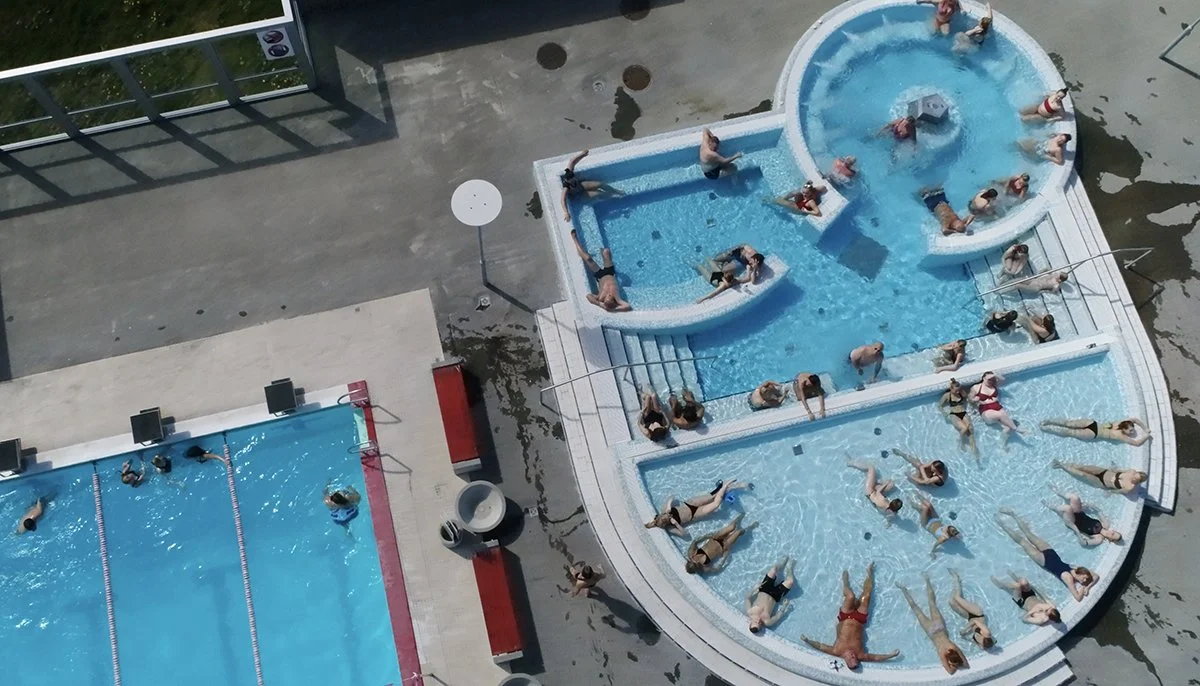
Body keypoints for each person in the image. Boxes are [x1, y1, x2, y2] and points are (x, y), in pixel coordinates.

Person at [800, 562, 900, 670]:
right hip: (860, 619)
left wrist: (807, 640)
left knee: (851, 597)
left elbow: (820, 646)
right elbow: (875, 657)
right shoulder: (860, 654)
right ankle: (870, 573)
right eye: (855, 659)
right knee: (866, 596)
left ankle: (845, 583)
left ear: (845, 660)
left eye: (851, 658)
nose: (854, 656)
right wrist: (891, 655)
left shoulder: (836, 651)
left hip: (845, 617)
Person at [996, 508, 1098, 601]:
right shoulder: (1072, 573)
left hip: (1046, 558)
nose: (1084, 580)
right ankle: (1012, 516)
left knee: (1023, 540)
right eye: (1085, 577)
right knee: (1027, 535)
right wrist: (1086, 587)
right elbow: (1095, 576)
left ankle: (1005, 523)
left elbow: (1077, 597)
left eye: (1084, 581)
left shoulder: (1072, 574)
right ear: (1083, 573)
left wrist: (1086, 587)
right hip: (1049, 556)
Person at [896, 574, 970, 674]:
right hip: (931, 631)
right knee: (915, 608)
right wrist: (955, 665)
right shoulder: (942, 653)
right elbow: (951, 671)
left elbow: (964, 664)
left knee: (931, 602)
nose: (954, 666)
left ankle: (926, 580)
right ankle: (904, 589)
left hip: (940, 626)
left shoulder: (953, 647)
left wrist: (958, 661)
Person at [645, 480, 751, 536]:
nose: (669, 515)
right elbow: (685, 534)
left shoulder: (664, 510)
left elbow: (672, 497)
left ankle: (737, 485)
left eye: (668, 514)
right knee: (715, 505)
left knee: (714, 495)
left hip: (691, 503)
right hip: (695, 514)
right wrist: (676, 523)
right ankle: (726, 488)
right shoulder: (671, 528)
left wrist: (669, 506)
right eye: (669, 516)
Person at [570, 229, 632, 312]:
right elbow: (627, 306)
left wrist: (600, 305)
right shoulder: (617, 298)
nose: (608, 296)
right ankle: (602, 253)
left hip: (600, 275)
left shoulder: (600, 297)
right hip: (610, 273)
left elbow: (588, 296)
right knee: (606, 251)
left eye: (606, 299)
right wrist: (616, 309)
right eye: (609, 298)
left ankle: (575, 239)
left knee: (588, 258)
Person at [1045, 485, 1122, 546]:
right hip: (1080, 514)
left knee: (1067, 508)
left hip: (1072, 522)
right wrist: (1089, 506)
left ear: (1111, 540)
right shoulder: (1105, 524)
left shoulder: (1098, 539)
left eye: (1112, 536)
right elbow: (1099, 511)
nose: (1111, 533)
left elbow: (1084, 543)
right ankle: (1058, 491)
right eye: (1114, 533)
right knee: (1075, 498)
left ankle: (1051, 506)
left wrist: (1077, 532)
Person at [558, 149, 622, 221]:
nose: (573, 180)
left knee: (600, 184)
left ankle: (615, 191)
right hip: (579, 195)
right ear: (567, 180)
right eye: (571, 180)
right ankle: (611, 197)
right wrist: (566, 212)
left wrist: (582, 154)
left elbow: (572, 161)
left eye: (573, 178)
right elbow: (562, 200)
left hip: (581, 185)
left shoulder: (569, 172)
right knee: (598, 193)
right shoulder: (566, 188)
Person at [685, 512, 757, 574]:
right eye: (696, 564)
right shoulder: (704, 568)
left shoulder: (691, 553)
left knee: (732, 527)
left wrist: (707, 536)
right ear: (696, 568)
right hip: (724, 547)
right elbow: (717, 569)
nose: (696, 561)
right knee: (738, 532)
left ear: (690, 560)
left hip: (715, 538)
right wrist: (725, 557)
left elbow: (695, 541)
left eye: (693, 561)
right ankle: (750, 528)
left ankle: (740, 517)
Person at [969, 371, 1026, 446]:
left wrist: (994, 375)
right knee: (1001, 414)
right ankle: (1016, 429)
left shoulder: (994, 384)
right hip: (986, 409)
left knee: (1007, 429)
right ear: (983, 378)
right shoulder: (976, 387)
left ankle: (1002, 444)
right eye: (989, 379)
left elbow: (1003, 379)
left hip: (997, 407)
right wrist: (974, 399)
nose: (991, 381)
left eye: (992, 379)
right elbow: (969, 398)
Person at [746, 556, 796, 634]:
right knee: (790, 581)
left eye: (756, 621)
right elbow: (778, 616)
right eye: (760, 624)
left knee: (773, 569)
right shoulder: (768, 622)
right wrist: (784, 606)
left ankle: (782, 564)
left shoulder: (750, 612)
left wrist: (754, 588)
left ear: (750, 622)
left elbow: (747, 598)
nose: (759, 621)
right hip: (776, 596)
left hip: (763, 589)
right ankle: (789, 569)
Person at [948, 569, 995, 649]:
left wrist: (964, 636)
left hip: (969, 617)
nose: (981, 646)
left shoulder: (980, 644)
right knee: (957, 597)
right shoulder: (987, 633)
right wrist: (964, 630)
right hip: (977, 614)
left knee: (951, 602)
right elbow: (975, 621)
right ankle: (956, 578)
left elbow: (972, 639)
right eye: (982, 645)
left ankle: (955, 587)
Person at [991, 572, 1062, 625]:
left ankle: (1001, 585)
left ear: (1048, 616)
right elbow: (1044, 597)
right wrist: (1033, 588)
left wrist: (1033, 611)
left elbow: (1024, 619)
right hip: (1031, 595)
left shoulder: (1040, 619)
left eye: (1047, 611)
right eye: (1049, 609)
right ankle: (1014, 577)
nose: (1047, 609)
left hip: (1022, 601)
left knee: (1017, 586)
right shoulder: (1052, 607)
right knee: (1024, 582)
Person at [846, 458, 903, 523]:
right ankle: (874, 480)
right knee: (892, 485)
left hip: (869, 491)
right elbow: (889, 519)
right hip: (872, 496)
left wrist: (885, 483)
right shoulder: (893, 514)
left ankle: (850, 463)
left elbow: (878, 491)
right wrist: (888, 524)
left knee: (871, 467)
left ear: (892, 501)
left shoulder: (883, 500)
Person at [1051, 460, 1148, 495]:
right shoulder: (1131, 471)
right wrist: (1114, 467)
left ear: (1139, 482)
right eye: (1136, 476)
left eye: (1137, 479)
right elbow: (1119, 470)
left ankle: (1062, 466)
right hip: (1104, 472)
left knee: (1083, 474)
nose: (1134, 478)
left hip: (1101, 483)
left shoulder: (1129, 487)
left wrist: (1110, 492)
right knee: (1083, 467)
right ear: (1136, 473)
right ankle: (1063, 463)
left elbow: (1119, 491)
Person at [1040, 417, 1152, 446]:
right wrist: (1146, 435)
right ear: (1124, 429)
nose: (1132, 433)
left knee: (1069, 424)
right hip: (1093, 434)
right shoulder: (1121, 436)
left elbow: (1135, 420)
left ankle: (1048, 422)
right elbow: (1137, 443)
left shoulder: (1121, 422)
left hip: (1092, 423)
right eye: (1131, 430)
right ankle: (1047, 428)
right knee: (1069, 432)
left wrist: (1145, 427)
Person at [938, 378, 978, 456]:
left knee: (970, 430)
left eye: (959, 390)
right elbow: (940, 406)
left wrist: (974, 407)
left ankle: (974, 449)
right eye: (956, 390)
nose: (958, 392)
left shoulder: (961, 393)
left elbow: (968, 399)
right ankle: (961, 441)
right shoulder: (947, 395)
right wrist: (944, 413)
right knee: (964, 428)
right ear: (951, 388)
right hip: (954, 414)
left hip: (963, 412)